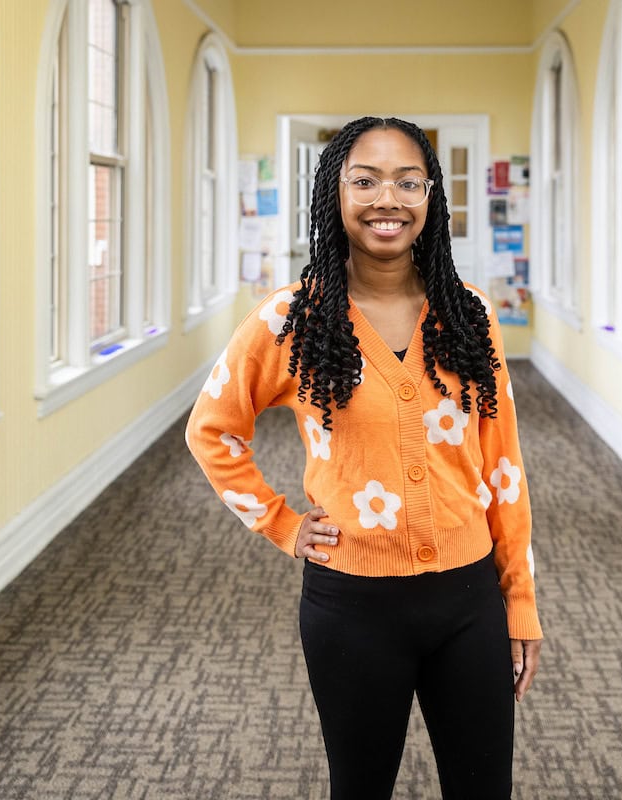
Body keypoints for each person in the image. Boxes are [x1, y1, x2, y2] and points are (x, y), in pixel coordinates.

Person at [186, 116, 542, 800]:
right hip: (351, 606)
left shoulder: (471, 313)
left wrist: (519, 600)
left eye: (409, 183)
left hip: (469, 600)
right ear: (336, 193)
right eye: (366, 180)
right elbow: (212, 430)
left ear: (431, 196)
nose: (389, 200)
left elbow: (505, 468)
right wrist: (281, 523)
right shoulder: (291, 318)